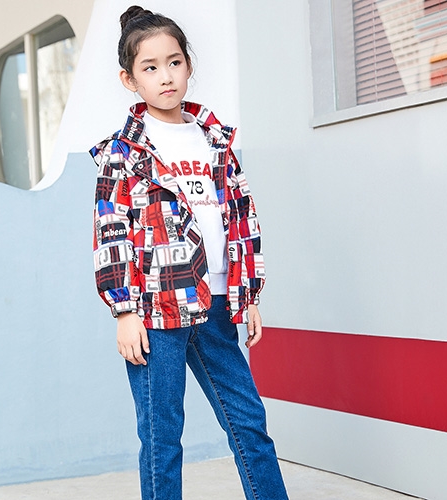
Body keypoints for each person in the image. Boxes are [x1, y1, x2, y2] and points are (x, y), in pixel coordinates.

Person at [90, 5, 289, 499]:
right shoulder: (123, 153)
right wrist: (124, 312)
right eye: (150, 67)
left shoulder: (216, 141)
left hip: (217, 303)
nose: (165, 76)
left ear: (189, 65)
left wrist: (248, 295)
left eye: (174, 62)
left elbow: (241, 219)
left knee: (249, 423)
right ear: (129, 79)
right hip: (156, 313)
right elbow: (111, 233)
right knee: (162, 438)